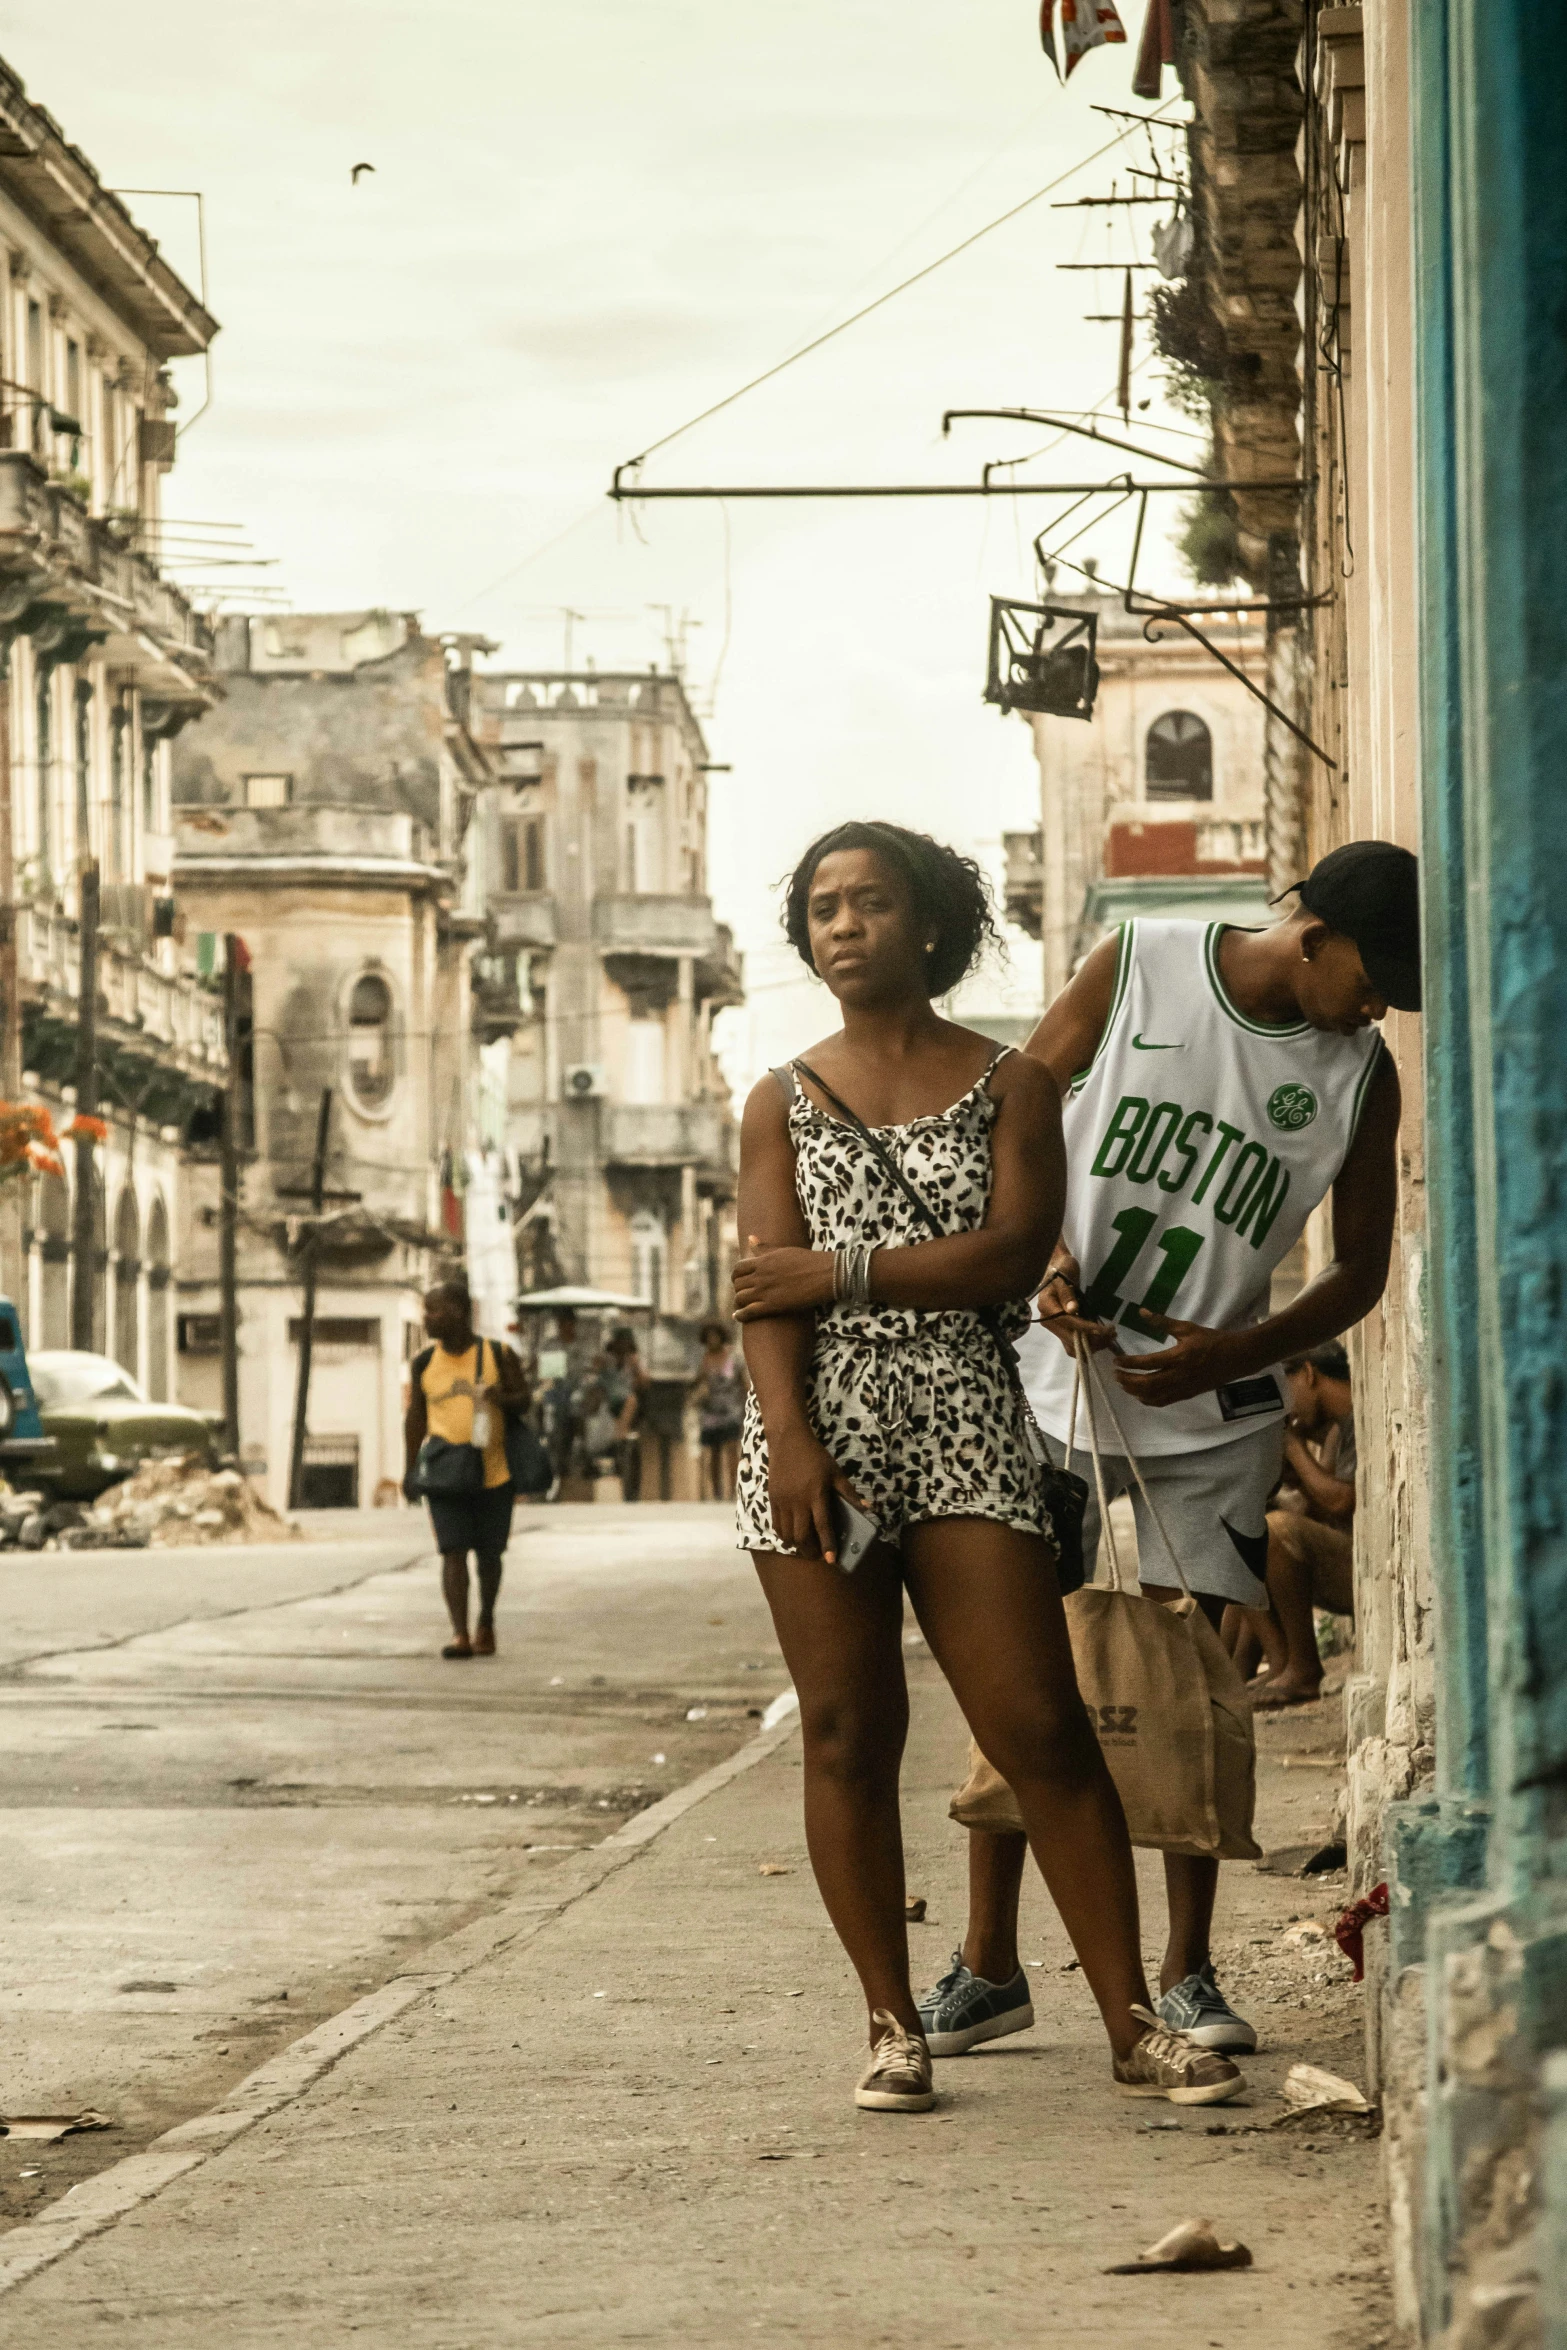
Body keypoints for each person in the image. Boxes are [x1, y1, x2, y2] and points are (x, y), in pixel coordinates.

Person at [731, 817, 1244, 2117]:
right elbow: (761, 1291)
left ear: (928, 924)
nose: (841, 924)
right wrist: (789, 1438)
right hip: (816, 1442)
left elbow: (1010, 1255)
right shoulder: (775, 1096)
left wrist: (835, 1269)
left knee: (1038, 1729)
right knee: (848, 1732)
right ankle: (891, 2023)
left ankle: (1134, 2025)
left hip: (966, 1423)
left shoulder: (1013, 1082)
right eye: (822, 907)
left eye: (869, 901)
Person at [916, 839, 1420, 2063]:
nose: (1376, 1006)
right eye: (1371, 977)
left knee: (1194, 1686)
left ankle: (1185, 1971)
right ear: (1314, 935)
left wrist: (1232, 1347)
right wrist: (1041, 1260)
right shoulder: (1138, 964)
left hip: (1214, 1415)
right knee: (1022, 1674)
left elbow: (1358, 1272)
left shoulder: (1361, 1080)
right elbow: (1011, 1120)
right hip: (1050, 1385)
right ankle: (989, 1960)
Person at [403, 1281, 530, 1658]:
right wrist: (410, 1470)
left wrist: (499, 1397)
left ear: (460, 1311)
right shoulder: (424, 1362)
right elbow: (416, 1418)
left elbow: (524, 1401)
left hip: (494, 1472)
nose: (427, 1319)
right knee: (452, 1551)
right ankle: (459, 1634)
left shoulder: (498, 1354)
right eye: (426, 1311)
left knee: (489, 1555)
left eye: (435, 1311)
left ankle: (486, 1622)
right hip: (445, 1472)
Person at [1230, 1340, 1357, 1707]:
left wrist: (1292, 1446)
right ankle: (1246, 1671)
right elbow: (1317, 1509)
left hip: (1369, 1571)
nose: (1286, 1405)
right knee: (1250, 1532)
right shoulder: (1338, 1427)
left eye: (1284, 1390)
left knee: (1275, 1531)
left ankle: (1302, 1669)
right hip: (1348, 1564)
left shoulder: (1359, 1415)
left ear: (1308, 1373)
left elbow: (1340, 1501)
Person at [692, 1320, 748, 1501]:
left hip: (731, 1409)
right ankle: (717, 1492)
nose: (712, 1340)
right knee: (713, 1452)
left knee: (732, 1449)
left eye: (715, 1336)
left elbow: (743, 1383)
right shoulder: (703, 1359)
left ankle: (732, 1490)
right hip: (710, 1410)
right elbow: (693, 1383)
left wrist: (747, 1407)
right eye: (709, 1337)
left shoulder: (733, 1357)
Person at [596, 1326, 649, 1501]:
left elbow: (644, 1384)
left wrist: (636, 1367)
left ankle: (620, 1432)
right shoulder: (608, 1362)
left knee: (631, 1400)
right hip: (608, 1403)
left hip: (627, 1404)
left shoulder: (633, 1362)